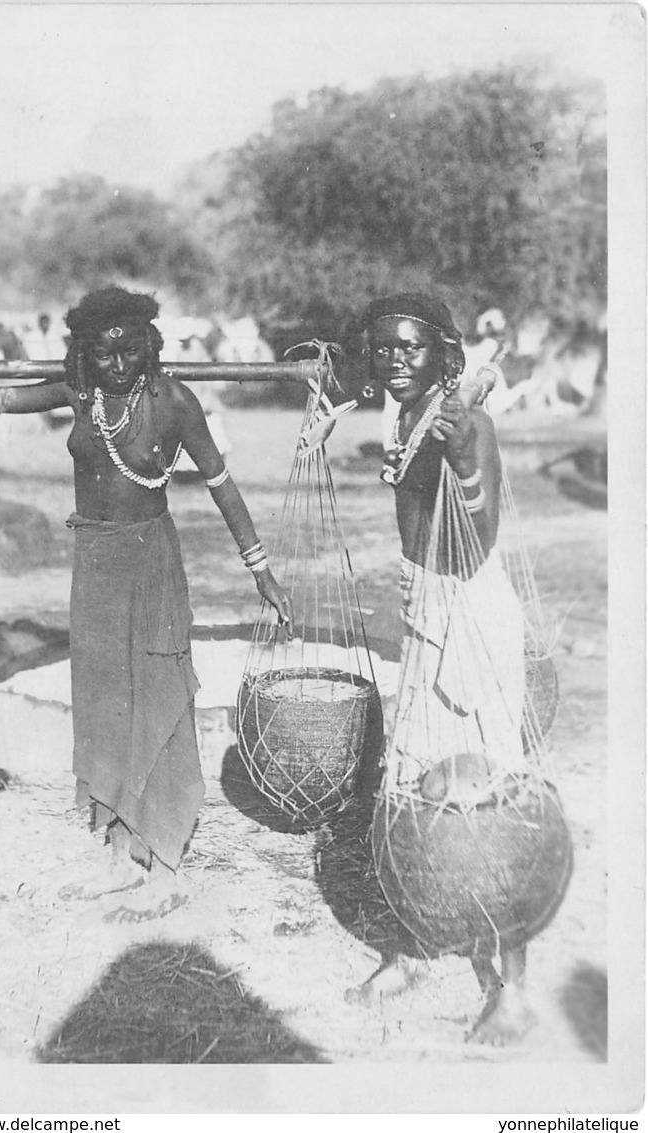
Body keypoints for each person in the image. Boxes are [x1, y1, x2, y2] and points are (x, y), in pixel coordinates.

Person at [0, 286, 293, 922]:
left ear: (150, 346)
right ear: (85, 355)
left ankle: (167, 870)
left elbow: (222, 483)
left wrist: (259, 567)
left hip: (149, 562)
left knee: (156, 697)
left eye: (130, 350)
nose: (119, 364)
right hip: (92, 562)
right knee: (102, 700)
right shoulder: (78, 391)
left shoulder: (174, 402)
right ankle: (122, 853)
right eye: (104, 354)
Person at [351, 292, 533, 1043]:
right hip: (426, 607)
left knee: (485, 796)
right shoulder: (405, 417)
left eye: (411, 349)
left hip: (470, 611)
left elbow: (478, 533)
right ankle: (412, 946)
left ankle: (513, 989)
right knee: (408, 784)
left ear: (443, 356)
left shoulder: (470, 422)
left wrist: (460, 459)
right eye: (384, 348)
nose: (395, 361)